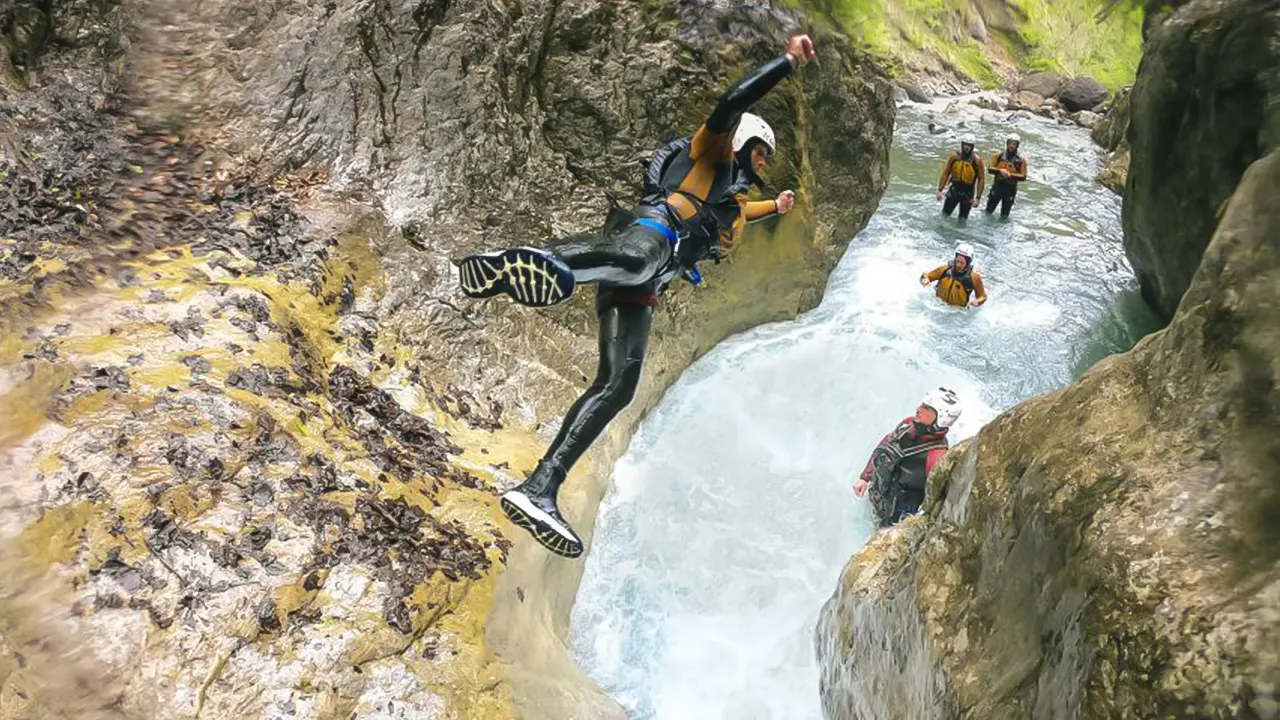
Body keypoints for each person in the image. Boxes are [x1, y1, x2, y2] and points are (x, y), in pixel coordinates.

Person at [455, 34, 818, 558]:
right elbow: (729, 104)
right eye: (762, 152)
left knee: (620, 385)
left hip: (648, 283)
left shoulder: (730, 202)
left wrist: (779, 207)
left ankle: (540, 488)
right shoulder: (710, 156)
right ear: (744, 144)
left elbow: (749, 214)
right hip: (648, 234)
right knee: (636, 257)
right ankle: (538, 262)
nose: (765, 162)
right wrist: (785, 63)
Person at [853, 388, 963, 527]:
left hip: (896, 516)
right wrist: (865, 477)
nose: (919, 409)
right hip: (879, 494)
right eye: (922, 404)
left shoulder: (935, 457)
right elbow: (885, 445)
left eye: (926, 408)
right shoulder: (907, 424)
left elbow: (936, 502)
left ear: (941, 418)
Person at [920, 242, 986, 308]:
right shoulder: (944, 270)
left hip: (957, 312)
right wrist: (924, 280)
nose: (958, 265)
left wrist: (977, 301)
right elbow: (926, 275)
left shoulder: (974, 277)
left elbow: (982, 296)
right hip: (937, 305)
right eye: (957, 261)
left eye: (962, 263)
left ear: (968, 263)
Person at [935, 136, 985, 220]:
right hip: (954, 189)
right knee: (944, 215)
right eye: (965, 145)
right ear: (962, 145)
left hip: (968, 192)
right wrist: (939, 190)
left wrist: (978, 198)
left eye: (969, 145)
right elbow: (946, 173)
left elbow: (981, 179)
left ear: (972, 146)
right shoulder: (954, 158)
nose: (966, 147)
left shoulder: (977, 161)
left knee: (962, 219)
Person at [986, 132, 1027, 218]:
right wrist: (1000, 171)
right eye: (1009, 143)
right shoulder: (998, 156)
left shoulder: (1021, 160)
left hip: (1010, 189)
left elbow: (1023, 176)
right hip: (998, 187)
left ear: (1017, 146)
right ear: (1007, 144)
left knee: (1005, 215)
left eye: (1014, 144)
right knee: (988, 210)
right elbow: (990, 168)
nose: (1011, 146)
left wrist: (1009, 175)